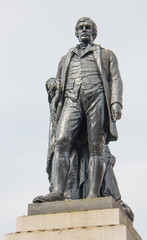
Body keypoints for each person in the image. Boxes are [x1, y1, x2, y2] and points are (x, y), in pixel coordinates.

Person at [33, 17, 123, 203]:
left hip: (96, 97)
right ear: (76, 32)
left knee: (96, 146)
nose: (84, 30)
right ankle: (58, 191)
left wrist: (116, 103)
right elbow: (59, 81)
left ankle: (93, 194)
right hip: (72, 100)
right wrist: (50, 83)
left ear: (93, 32)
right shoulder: (66, 58)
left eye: (88, 27)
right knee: (61, 141)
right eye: (81, 27)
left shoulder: (106, 55)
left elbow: (115, 78)